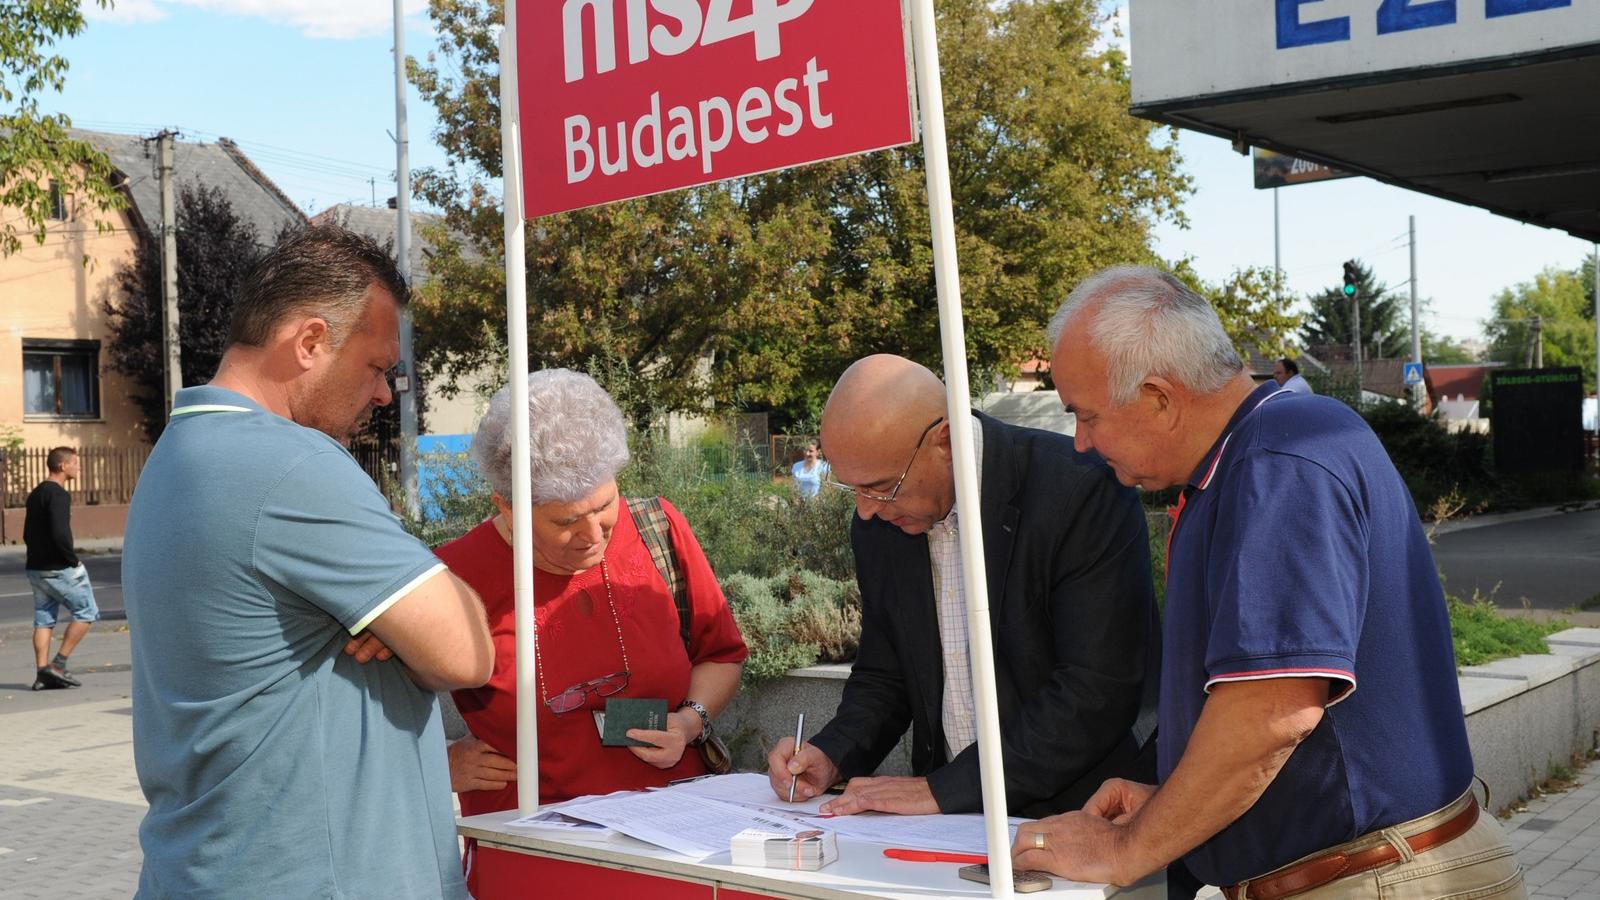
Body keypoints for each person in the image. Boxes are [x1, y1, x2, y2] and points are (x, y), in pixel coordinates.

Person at [1015, 266, 1521, 899]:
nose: (1081, 444)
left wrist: (1126, 849)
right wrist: (1172, 803)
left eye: (1086, 416)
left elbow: (1272, 713)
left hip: (1371, 881)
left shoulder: (1275, 466)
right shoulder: (1283, 439)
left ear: (1158, 397)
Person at [121, 225, 494, 899]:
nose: (384, 395)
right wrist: (402, 616)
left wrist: (393, 617)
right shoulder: (291, 462)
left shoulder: (177, 456)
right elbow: (467, 652)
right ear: (311, 341)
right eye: (378, 367)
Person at [766, 354, 1159, 819]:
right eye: (852, 491)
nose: (867, 511)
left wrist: (943, 789)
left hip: (1081, 815)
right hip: (949, 826)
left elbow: (1096, 691)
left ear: (945, 441)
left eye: (881, 488)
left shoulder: (1081, 492)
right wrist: (832, 753)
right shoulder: (877, 521)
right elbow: (886, 672)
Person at [439, 369, 748, 893]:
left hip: (672, 847)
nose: (591, 535)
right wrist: (437, 763)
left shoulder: (658, 529)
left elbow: (722, 653)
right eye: (563, 522)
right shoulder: (451, 577)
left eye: (605, 507)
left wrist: (689, 723)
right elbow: (367, 704)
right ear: (507, 507)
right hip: (532, 854)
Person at [23, 446, 99, 691]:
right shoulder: (58, 495)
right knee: (87, 612)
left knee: (44, 619)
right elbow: (60, 533)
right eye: (75, 463)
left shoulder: (35, 494)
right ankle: (58, 663)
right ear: (62, 466)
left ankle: (42, 672)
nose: (78, 467)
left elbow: (27, 533)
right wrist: (72, 560)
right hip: (59, 568)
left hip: (36, 568)